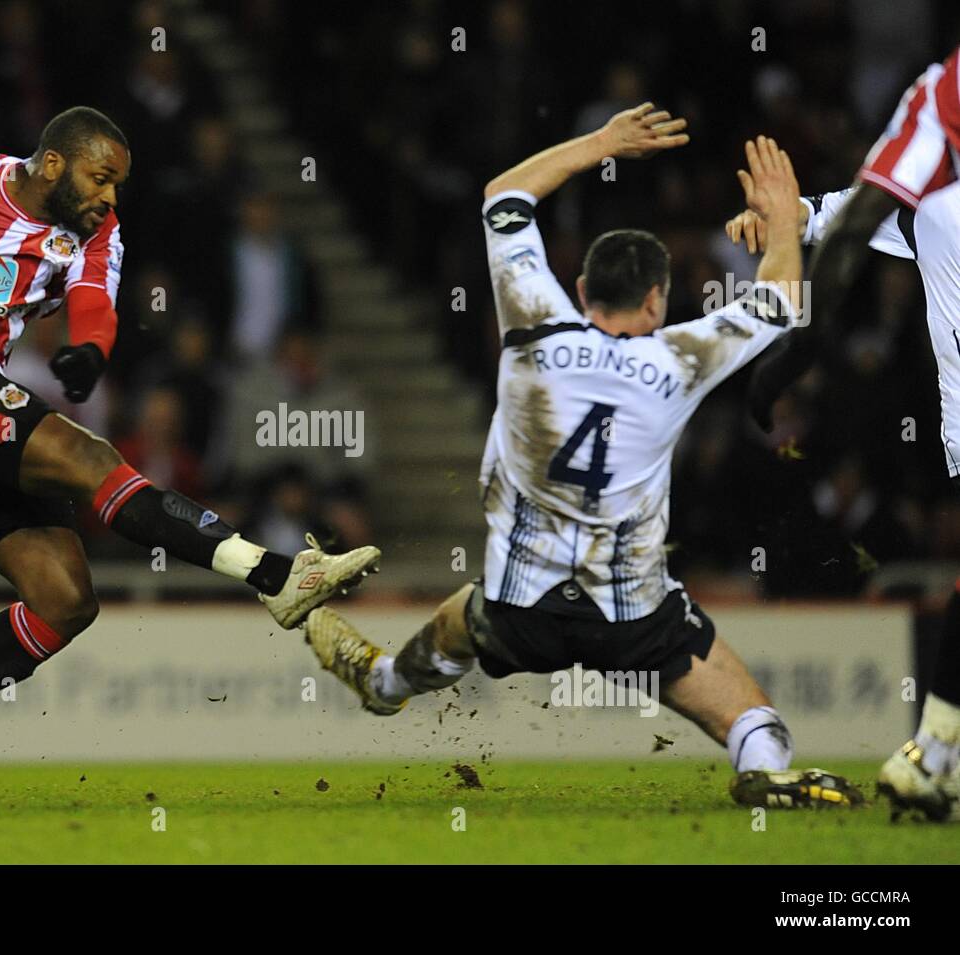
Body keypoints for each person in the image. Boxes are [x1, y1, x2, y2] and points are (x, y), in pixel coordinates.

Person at [0, 106, 380, 801]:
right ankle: (278, 576)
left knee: (66, 599)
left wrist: (90, 351)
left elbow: (97, 302)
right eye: (102, 179)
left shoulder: (95, 236)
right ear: (55, 164)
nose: (111, 197)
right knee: (89, 458)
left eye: (119, 186)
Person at [305, 105, 860, 809]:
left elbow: (504, 195)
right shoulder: (680, 356)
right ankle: (762, 767)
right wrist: (783, 220)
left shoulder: (531, 325)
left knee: (467, 615)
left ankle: (384, 683)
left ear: (580, 292)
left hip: (518, 608)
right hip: (631, 616)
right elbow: (780, 299)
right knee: (754, 716)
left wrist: (604, 143)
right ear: (657, 301)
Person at [733, 47, 960, 821]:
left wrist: (791, 346)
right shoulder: (936, 167)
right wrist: (799, 217)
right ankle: (936, 749)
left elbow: (874, 211)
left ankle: (935, 750)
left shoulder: (942, 98)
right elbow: (877, 213)